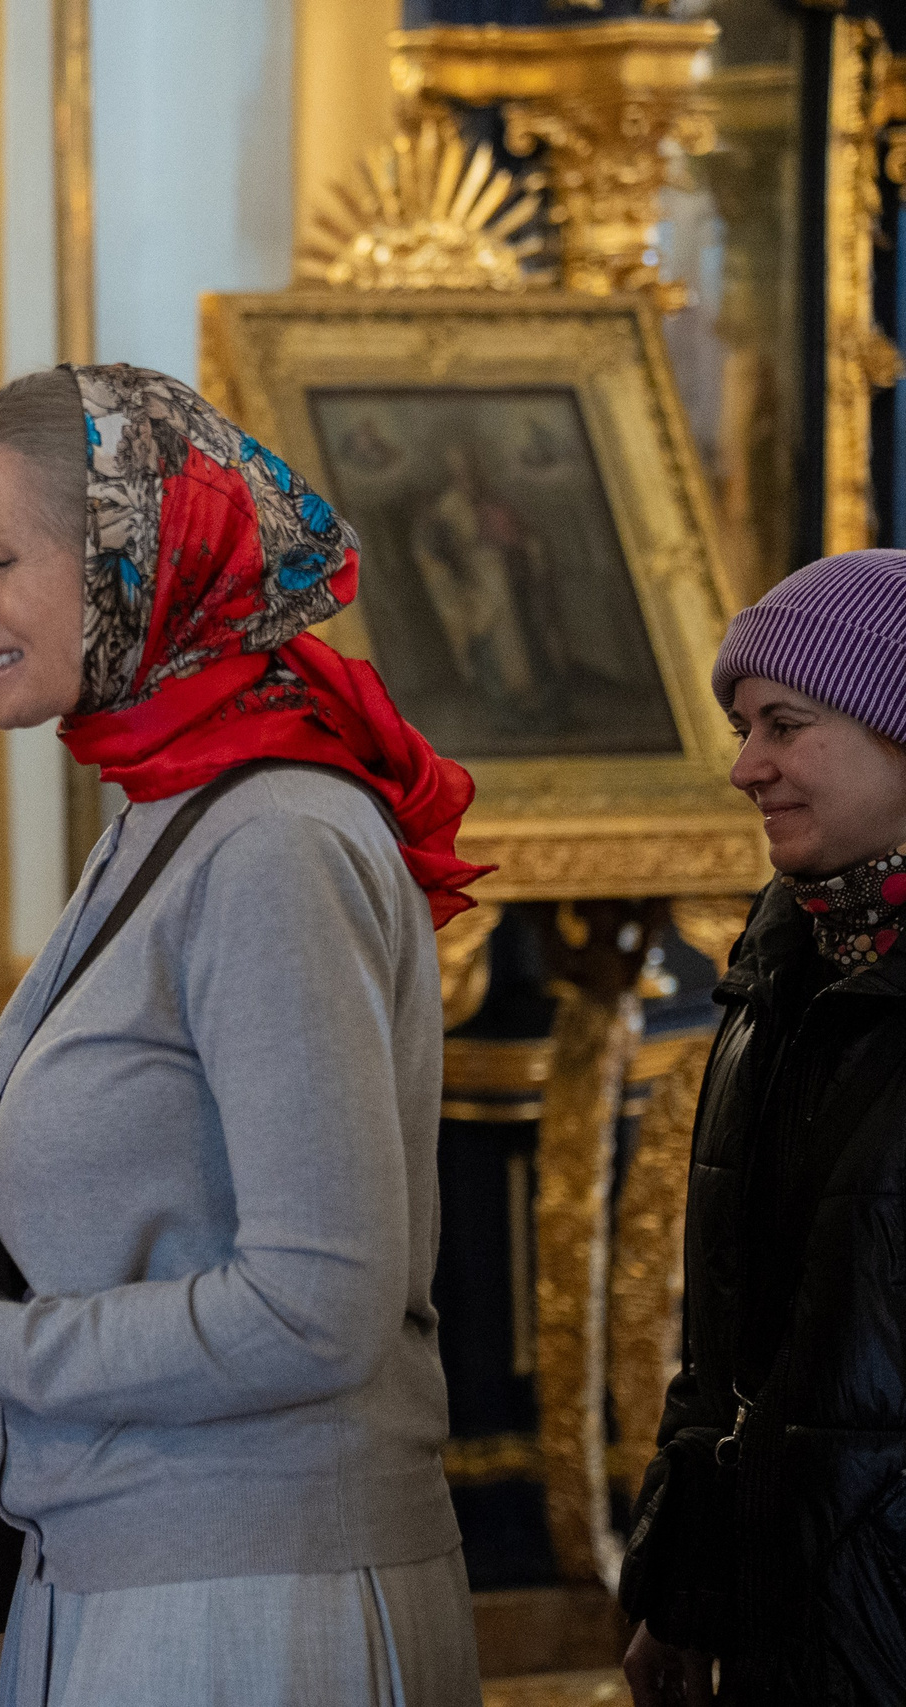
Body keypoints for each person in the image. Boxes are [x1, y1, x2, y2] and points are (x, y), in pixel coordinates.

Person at [0, 364, 491, 1705]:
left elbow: (318, 1308)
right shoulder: (169, 804)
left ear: (132, 564)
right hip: (133, 1570)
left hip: (252, 1600)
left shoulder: (273, 841)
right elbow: (170, 1182)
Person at [620, 552, 906, 1707]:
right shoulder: (783, 949)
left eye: (784, 725)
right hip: (787, 1626)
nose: (746, 768)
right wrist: (679, 1590)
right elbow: (728, 1336)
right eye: (744, 727)